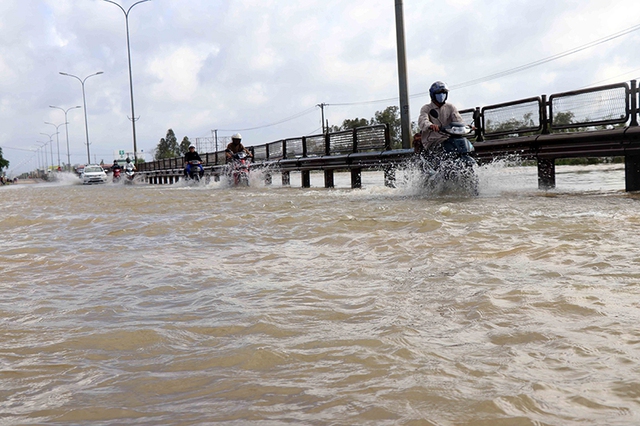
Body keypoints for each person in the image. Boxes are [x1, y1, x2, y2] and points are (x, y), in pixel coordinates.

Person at [417, 81, 464, 156]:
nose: (442, 95)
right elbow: (423, 120)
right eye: (438, 93)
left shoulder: (450, 107)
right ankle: (440, 166)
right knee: (443, 148)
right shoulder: (426, 108)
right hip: (432, 140)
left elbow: (458, 120)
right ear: (433, 95)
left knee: (463, 144)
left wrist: (466, 126)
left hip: (449, 138)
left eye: (444, 93)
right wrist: (430, 125)